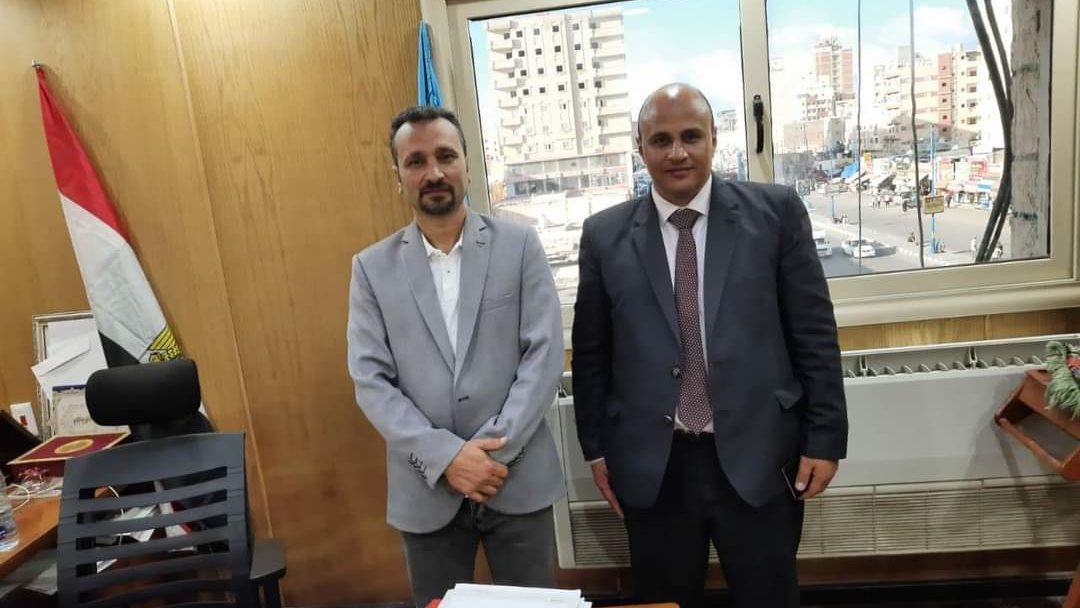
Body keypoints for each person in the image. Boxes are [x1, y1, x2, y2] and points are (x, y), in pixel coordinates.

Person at [572, 84, 848, 608]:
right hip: (654, 468)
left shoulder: (775, 214)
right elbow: (590, 355)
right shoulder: (604, 236)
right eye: (661, 140)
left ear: (714, 139)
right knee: (665, 602)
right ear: (640, 146)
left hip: (760, 456)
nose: (677, 152)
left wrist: (825, 438)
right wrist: (597, 449)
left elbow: (814, 333)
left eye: (691, 136)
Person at [347, 106, 565, 608]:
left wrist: (488, 457)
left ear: (467, 162)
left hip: (516, 475)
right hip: (426, 489)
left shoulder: (519, 245)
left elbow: (544, 355)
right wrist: (448, 458)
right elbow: (370, 381)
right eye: (416, 161)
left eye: (446, 156)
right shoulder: (371, 269)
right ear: (398, 176)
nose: (434, 172)